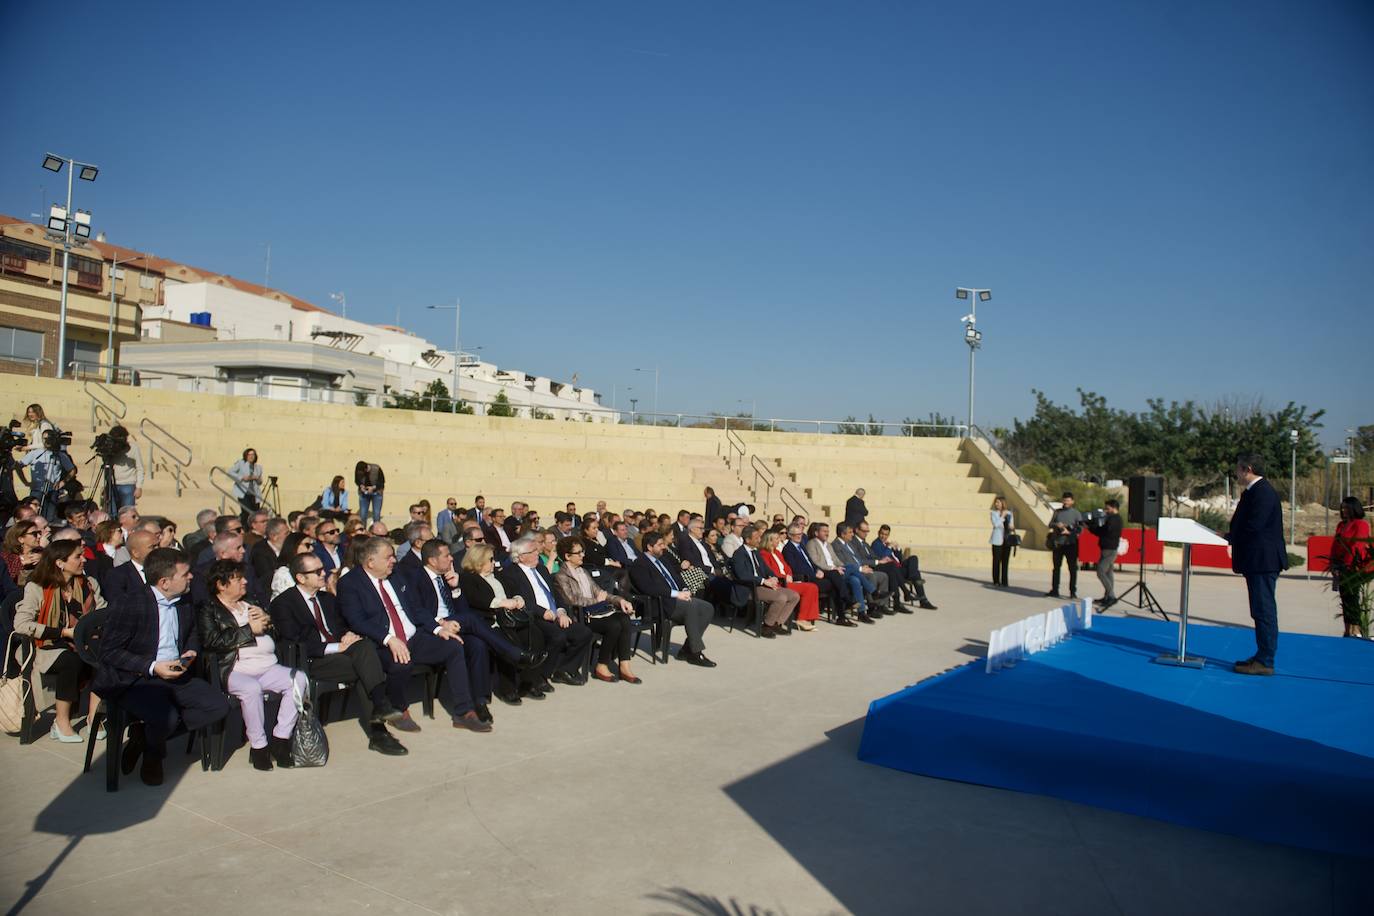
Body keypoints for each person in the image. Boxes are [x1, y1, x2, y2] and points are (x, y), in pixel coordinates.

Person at [92, 547, 231, 786]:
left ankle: (146, 739)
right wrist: (152, 666)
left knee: (218, 706)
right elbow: (109, 652)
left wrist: (190, 651)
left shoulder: (184, 601)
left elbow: (193, 633)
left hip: (176, 673)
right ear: (165, 582)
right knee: (166, 717)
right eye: (186, 573)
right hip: (135, 678)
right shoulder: (130, 603)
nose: (191, 577)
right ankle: (154, 756)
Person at [337, 536, 492, 733]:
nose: (394, 560)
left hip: (414, 637)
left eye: (393, 556)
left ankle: (464, 712)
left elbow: (416, 609)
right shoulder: (350, 583)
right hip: (381, 642)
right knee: (401, 662)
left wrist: (438, 629)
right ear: (370, 562)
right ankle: (399, 709)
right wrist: (389, 638)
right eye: (388, 557)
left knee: (453, 646)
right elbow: (356, 620)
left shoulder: (396, 576)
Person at [268, 553, 408, 756]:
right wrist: (335, 648)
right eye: (317, 571)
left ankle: (380, 714)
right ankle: (379, 724)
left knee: (364, 646)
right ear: (301, 577)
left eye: (322, 569)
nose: (323, 573)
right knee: (365, 670)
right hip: (312, 659)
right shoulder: (283, 603)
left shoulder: (326, 599)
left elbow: (341, 626)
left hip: (341, 653)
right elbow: (294, 641)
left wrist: (348, 634)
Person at [196, 559, 307, 771]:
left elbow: (275, 633)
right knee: (251, 689)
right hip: (234, 670)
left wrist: (268, 620)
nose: (245, 582)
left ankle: (281, 739)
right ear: (221, 584)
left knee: (298, 679)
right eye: (238, 579)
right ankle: (259, 747)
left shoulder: (251, 601)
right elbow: (211, 641)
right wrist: (249, 630)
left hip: (267, 666)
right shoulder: (208, 608)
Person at [13, 539, 107, 741]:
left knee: (104, 656)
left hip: (82, 643)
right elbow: (21, 624)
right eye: (78, 556)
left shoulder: (89, 584)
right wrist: (62, 633)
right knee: (71, 660)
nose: (84, 560)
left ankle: (94, 717)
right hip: (45, 647)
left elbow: (103, 613)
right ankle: (61, 722)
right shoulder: (38, 587)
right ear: (60, 562)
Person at [499, 535, 594, 688]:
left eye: (537, 550)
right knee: (558, 636)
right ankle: (542, 674)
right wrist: (542, 612)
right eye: (533, 551)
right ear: (521, 557)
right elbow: (520, 599)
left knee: (583, 633)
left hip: (555, 613)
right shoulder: (511, 574)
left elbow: (556, 594)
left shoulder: (541, 569)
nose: (538, 553)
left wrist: (562, 611)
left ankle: (563, 670)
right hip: (534, 616)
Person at [1225, 454, 1289, 675]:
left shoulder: (1262, 492)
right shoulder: (1254, 491)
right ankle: (1262, 654)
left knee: (1264, 610)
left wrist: (1232, 537)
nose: (1236, 472)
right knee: (1259, 610)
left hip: (1263, 560)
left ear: (1248, 469)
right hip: (1256, 560)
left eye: (1238, 468)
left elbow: (1255, 526)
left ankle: (1266, 660)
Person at [459, 543, 546, 703]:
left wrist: (517, 599)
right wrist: (502, 602)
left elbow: (514, 590)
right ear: (479, 561)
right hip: (491, 621)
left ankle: (527, 683)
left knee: (535, 635)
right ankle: (508, 688)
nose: (494, 562)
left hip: (511, 618)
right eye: (491, 559)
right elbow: (477, 599)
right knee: (510, 642)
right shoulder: (468, 578)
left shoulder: (497, 575)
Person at [553, 536, 641, 683]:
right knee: (613, 624)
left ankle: (624, 665)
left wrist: (620, 600)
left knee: (624, 618)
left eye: (583, 551)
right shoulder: (561, 576)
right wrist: (596, 600)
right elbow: (572, 600)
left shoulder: (583, 572)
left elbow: (600, 592)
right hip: (581, 616)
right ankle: (602, 665)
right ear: (567, 556)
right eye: (578, 553)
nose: (583, 555)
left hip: (596, 612)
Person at [629, 532, 717, 667]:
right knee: (691, 607)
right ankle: (695, 653)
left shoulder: (663, 559)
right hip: (659, 604)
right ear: (649, 547)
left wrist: (685, 589)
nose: (664, 547)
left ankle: (687, 648)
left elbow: (677, 578)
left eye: (663, 544)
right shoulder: (639, 564)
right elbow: (648, 588)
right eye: (660, 545)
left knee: (707, 608)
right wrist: (676, 594)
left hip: (675, 599)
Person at [731, 526, 801, 637]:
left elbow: (767, 569)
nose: (760, 540)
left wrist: (773, 577)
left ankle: (777, 623)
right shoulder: (739, 554)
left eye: (760, 537)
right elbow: (742, 575)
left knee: (794, 596)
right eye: (757, 538)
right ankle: (767, 626)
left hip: (762, 585)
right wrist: (763, 581)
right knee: (781, 597)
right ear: (748, 540)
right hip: (749, 588)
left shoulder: (756, 552)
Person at [807, 522, 872, 624]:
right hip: (826, 573)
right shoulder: (812, 544)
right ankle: (871, 592)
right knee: (851, 567)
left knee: (855, 580)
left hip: (836, 571)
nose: (827, 533)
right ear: (816, 533)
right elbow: (815, 561)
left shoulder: (828, 545)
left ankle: (861, 613)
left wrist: (840, 567)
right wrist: (834, 568)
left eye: (828, 531)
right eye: (824, 531)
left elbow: (836, 560)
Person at [759, 530, 819, 632]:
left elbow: (787, 567)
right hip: (780, 583)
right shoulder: (764, 553)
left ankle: (807, 618)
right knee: (810, 587)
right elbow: (769, 570)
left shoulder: (777, 552)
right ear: (769, 540)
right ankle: (802, 619)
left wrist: (789, 574)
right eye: (776, 539)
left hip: (788, 580)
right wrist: (784, 576)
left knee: (812, 586)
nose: (779, 541)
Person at [869, 524, 937, 610]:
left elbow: (899, 560)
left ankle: (912, 577)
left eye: (886, 534)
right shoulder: (876, 544)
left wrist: (897, 549)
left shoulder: (887, 544)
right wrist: (889, 548)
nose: (883, 536)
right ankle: (923, 600)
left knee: (913, 558)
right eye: (882, 534)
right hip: (891, 570)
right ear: (878, 533)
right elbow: (882, 557)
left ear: (888, 535)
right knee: (917, 574)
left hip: (898, 567)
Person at [1332, 496, 1371, 638]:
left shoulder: (1361, 524)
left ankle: (1356, 630)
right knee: (1345, 598)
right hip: (1340, 567)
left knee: (1352, 598)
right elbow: (1336, 545)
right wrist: (1333, 564)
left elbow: (1358, 546)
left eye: (1347, 508)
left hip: (1353, 568)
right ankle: (1347, 629)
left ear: (1355, 508)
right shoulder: (1341, 525)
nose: (1344, 510)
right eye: (1342, 508)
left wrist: (1349, 565)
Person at [1086, 499, 1124, 608]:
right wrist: (1091, 527)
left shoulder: (1115, 519)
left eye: (1107, 508)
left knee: (1101, 571)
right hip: (1106, 548)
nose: (1106, 511)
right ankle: (1107, 596)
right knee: (1108, 573)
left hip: (1110, 549)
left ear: (1113, 508)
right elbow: (1101, 531)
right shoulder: (1112, 519)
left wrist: (1093, 526)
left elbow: (1105, 531)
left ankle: (1111, 596)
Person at [1046, 492, 1084, 599]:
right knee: (1056, 568)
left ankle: (1072, 592)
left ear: (1072, 501)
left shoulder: (1076, 513)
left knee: (1072, 569)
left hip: (1071, 544)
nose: (1066, 502)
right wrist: (1057, 524)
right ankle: (1054, 590)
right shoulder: (1057, 512)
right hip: (1058, 543)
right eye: (1064, 500)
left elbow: (1081, 529)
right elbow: (1050, 524)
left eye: (1068, 500)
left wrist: (1070, 532)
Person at [104, 426, 145, 510]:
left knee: (127, 513)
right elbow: (107, 467)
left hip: (128, 485)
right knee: (112, 512)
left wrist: (139, 487)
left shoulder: (133, 448)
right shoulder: (110, 449)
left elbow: (140, 468)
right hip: (112, 485)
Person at [271, 532, 320, 600]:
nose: (311, 548)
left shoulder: (312, 568)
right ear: (295, 546)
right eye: (307, 545)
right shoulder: (283, 573)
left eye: (312, 545)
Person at [2, 518, 46, 587]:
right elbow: (6, 579)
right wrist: (21, 563)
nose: (39, 536)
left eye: (39, 533)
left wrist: (43, 558)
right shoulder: (6, 557)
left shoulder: (42, 553)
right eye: (34, 534)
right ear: (21, 539)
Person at [228, 448, 264, 522]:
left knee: (255, 512)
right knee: (247, 511)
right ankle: (240, 524)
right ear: (246, 455)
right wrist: (242, 477)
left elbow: (260, 482)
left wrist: (256, 478)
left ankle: (248, 527)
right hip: (243, 492)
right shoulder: (241, 463)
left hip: (254, 493)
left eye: (253, 454)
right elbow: (230, 472)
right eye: (249, 454)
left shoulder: (258, 467)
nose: (251, 456)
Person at [989, 496, 1014, 588]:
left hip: (1007, 540)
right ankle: (996, 580)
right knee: (996, 561)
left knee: (1005, 561)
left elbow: (1012, 525)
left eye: (998, 502)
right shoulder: (993, 513)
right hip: (997, 540)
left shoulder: (1009, 513)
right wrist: (1002, 516)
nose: (996, 504)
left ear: (1003, 503)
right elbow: (996, 524)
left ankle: (1004, 581)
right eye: (996, 502)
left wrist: (1011, 526)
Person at [354, 460, 385, 525]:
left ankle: (376, 531)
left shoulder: (376, 469)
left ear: (365, 469)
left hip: (377, 493)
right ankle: (362, 531)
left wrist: (373, 487)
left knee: (376, 514)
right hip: (364, 494)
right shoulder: (358, 470)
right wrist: (361, 486)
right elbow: (357, 481)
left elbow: (382, 482)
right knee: (362, 515)